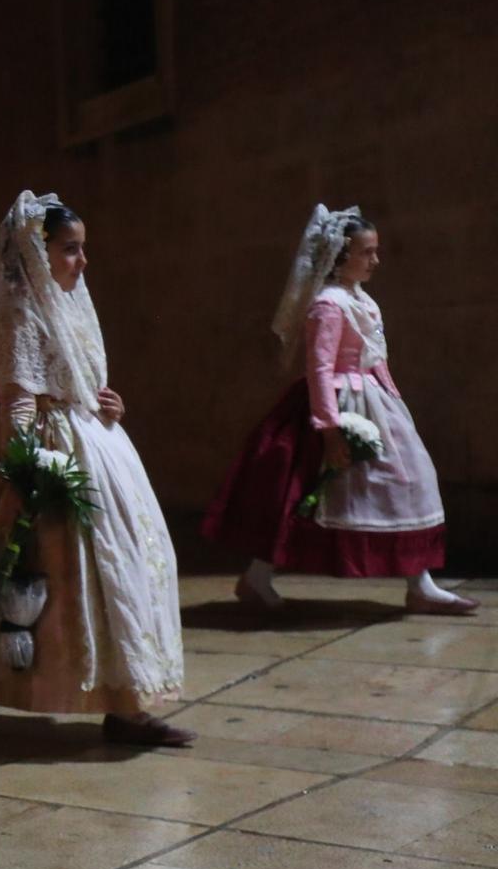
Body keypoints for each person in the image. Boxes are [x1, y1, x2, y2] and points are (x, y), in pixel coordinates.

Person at [0, 192, 191, 746]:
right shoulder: (21, 310)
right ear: (38, 251)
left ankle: (127, 703)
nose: (82, 262)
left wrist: (108, 405)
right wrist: (29, 468)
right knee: (15, 572)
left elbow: (77, 379)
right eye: (70, 250)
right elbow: (20, 397)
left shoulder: (69, 300)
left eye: (82, 250)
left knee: (128, 566)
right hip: (41, 446)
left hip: (91, 438)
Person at [204, 206, 475, 613]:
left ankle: (421, 582)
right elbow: (319, 366)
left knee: (410, 479)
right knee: (307, 492)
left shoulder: (361, 300)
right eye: (367, 252)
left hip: (373, 399)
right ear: (341, 256)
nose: (375, 261)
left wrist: (395, 403)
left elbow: (376, 357)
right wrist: (329, 428)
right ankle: (258, 576)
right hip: (336, 402)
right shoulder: (329, 304)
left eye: (375, 252)